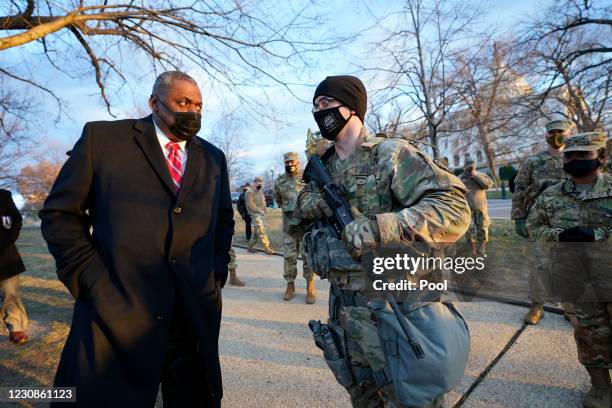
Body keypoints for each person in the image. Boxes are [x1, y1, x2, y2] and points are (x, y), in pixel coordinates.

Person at [39, 71, 234, 407]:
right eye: (183, 102)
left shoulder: (213, 157)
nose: (193, 112)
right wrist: (91, 280)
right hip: (116, 308)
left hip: (192, 313)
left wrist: (214, 274)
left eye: (199, 105)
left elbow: (223, 224)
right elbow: (60, 214)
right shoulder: (104, 140)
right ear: (154, 103)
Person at [295, 75, 471, 407]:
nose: (319, 112)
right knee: (362, 394)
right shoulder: (324, 166)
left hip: (396, 304)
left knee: (410, 396)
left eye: (327, 104)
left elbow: (454, 208)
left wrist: (381, 227)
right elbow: (301, 204)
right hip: (345, 305)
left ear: (352, 108)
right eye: (315, 106)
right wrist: (306, 202)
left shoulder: (390, 154)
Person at [527, 132, 611, 408]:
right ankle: (600, 387)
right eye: (570, 155)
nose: (575, 160)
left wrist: (596, 234)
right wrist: (559, 236)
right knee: (588, 334)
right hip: (575, 279)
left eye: (583, 155)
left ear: (601, 156)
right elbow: (534, 228)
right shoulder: (551, 195)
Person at [511, 119, 573, 325]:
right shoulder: (533, 161)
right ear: (546, 135)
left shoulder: (575, 158)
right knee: (539, 265)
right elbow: (519, 189)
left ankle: (570, 306)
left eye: (560, 132)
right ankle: (537, 306)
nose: (556, 136)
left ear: (569, 133)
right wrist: (519, 217)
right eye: (552, 132)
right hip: (539, 222)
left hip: (569, 221)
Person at [273, 152, 315, 303]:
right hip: (289, 226)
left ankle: (310, 286)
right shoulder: (280, 180)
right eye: (287, 162)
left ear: (298, 162)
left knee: (307, 256)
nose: (290, 165)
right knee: (289, 256)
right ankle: (290, 285)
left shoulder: (307, 176)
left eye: (293, 162)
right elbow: (277, 198)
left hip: (306, 225)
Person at [0, 189, 28, 344]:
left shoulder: (3, 195)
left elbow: (16, 219)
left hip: (4, 253)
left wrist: (9, 237)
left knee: (9, 292)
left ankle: (15, 328)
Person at [460, 159, 494, 256]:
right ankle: (472, 249)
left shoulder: (481, 175)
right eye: (468, 167)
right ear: (464, 167)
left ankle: (482, 248)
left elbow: (488, 185)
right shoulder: (460, 178)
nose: (470, 169)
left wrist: (476, 176)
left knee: (482, 227)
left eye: (472, 167)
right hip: (466, 209)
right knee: (469, 229)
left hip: (480, 207)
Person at [245, 176, 274, 255]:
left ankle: (250, 246)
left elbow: (263, 201)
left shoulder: (260, 191)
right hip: (254, 213)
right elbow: (250, 205)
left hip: (260, 212)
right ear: (254, 183)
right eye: (259, 183)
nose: (260, 184)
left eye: (261, 183)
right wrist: (259, 211)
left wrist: (264, 210)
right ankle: (267, 247)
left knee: (257, 232)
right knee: (261, 229)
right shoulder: (249, 192)